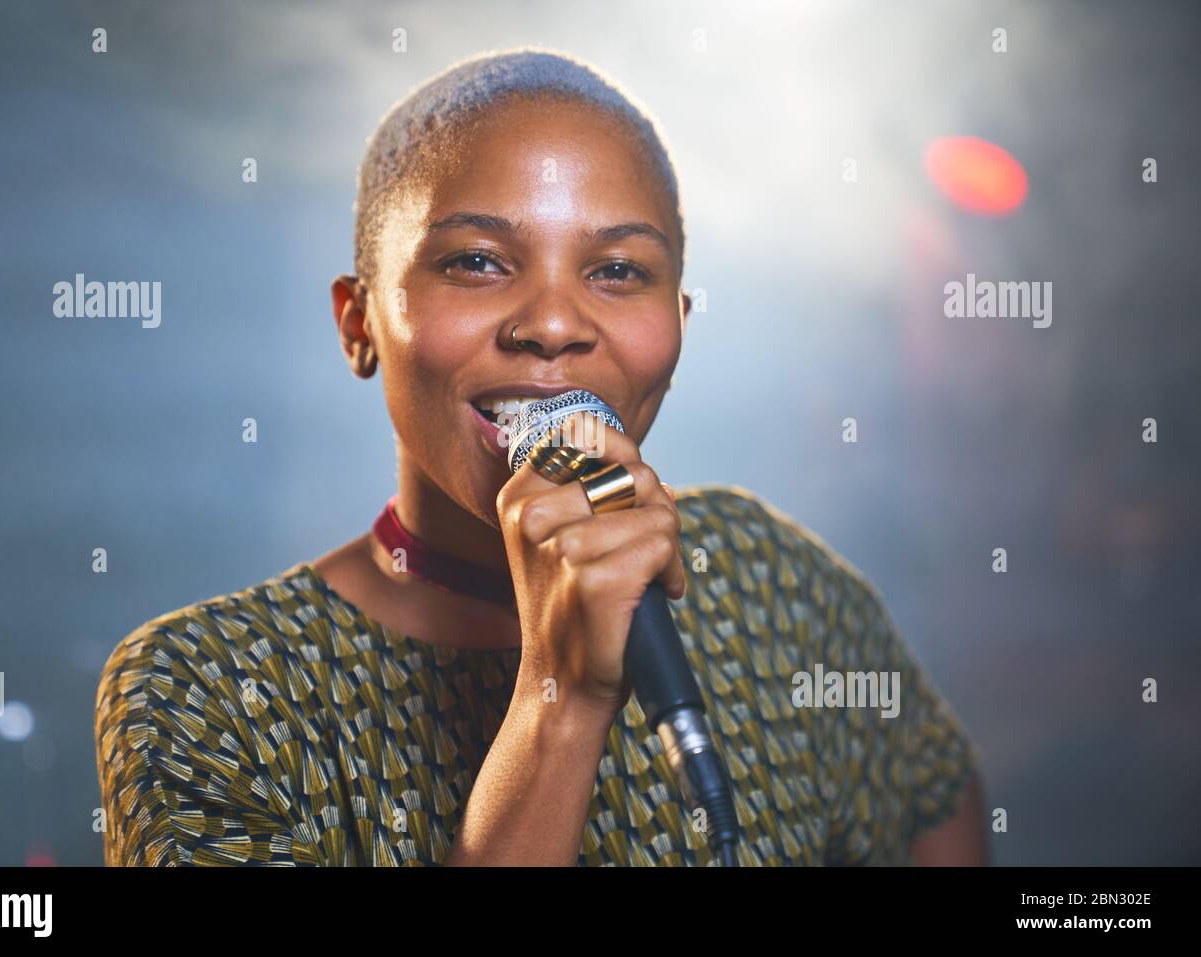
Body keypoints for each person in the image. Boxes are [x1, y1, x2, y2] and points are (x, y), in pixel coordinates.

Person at [94, 47, 987, 866]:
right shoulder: (200, 693)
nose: (554, 323)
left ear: (680, 322)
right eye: (478, 261)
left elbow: (936, 802)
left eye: (618, 272)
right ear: (358, 322)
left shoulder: (766, 577)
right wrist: (559, 702)